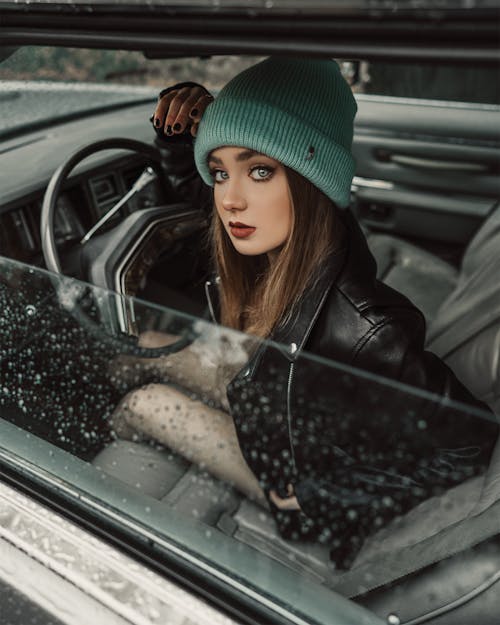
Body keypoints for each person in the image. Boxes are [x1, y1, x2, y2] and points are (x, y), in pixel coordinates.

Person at [114, 57, 498, 568]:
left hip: (291, 470)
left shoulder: (369, 329)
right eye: (220, 171)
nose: (230, 199)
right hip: (275, 396)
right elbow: (208, 202)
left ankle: (85, 499)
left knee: (143, 400)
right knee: (150, 346)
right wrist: (177, 141)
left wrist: (315, 497)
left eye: (259, 171)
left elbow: (468, 446)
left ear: (311, 176)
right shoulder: (296, 231)